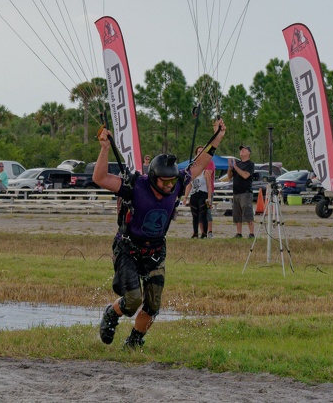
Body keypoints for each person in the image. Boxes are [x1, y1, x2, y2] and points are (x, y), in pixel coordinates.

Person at [94, 117, 226, 349]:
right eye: (165, 182)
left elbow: (199, 164)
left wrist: (217, 138)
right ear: (154, 178)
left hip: (155, 251)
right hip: (128, 249)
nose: (169, 186)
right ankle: (111, 314)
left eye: (172, 182)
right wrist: (105, 148)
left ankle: (134, 341)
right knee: (133, 300)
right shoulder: (135, 186)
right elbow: (100, 178)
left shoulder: (176, 183)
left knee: (153, 305)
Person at [182, 149, 212, 238]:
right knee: (195, 215)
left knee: (203, 215)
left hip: (203, 194)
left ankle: (204, 233)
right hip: (194, 195)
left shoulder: (205, 172)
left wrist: (209, 198)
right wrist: (185, 197)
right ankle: (195, 233)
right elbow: (189, 185)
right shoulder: (191, 173)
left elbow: (209, 185)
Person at [226, 145, 255, 238]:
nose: (241, 151)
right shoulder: (237, 163)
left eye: (244, 149)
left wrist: (236, 167)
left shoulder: (250, 164)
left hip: (245, 192)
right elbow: (229, 176)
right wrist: (230, 167)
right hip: (236, 192)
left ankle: (251, 233)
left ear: (249, 153)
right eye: (241, 150)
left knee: (247, 212)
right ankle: (239, 233)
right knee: (237, 214)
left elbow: (245, 175)